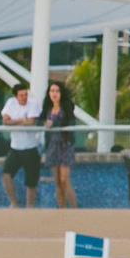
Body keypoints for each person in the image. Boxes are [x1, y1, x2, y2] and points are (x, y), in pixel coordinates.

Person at [0, 83, 45, 207]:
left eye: (25, 95)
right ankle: (14, 202)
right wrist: (20, 120)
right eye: (21, 95)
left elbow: (30, 122)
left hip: (31, 147)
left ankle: (29, 208)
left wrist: (15, 121)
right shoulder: (10, 103)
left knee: (31, 181)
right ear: (15, 96)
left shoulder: (33, 103)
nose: (24, 98)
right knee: (6, 173)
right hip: (15, 147)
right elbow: (5, 121)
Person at [41, 80, 80, 209]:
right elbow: (39, 121)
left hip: (65, 145)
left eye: (57, 91)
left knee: (64, 180)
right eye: (52, 91)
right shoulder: (47, 108)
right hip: (52, 146)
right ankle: (61, 209)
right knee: (57, 182)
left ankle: (74, 209)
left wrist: (56, 124)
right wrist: (45, 123)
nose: (54, 94)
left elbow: (71, 122)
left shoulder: (66, 106)